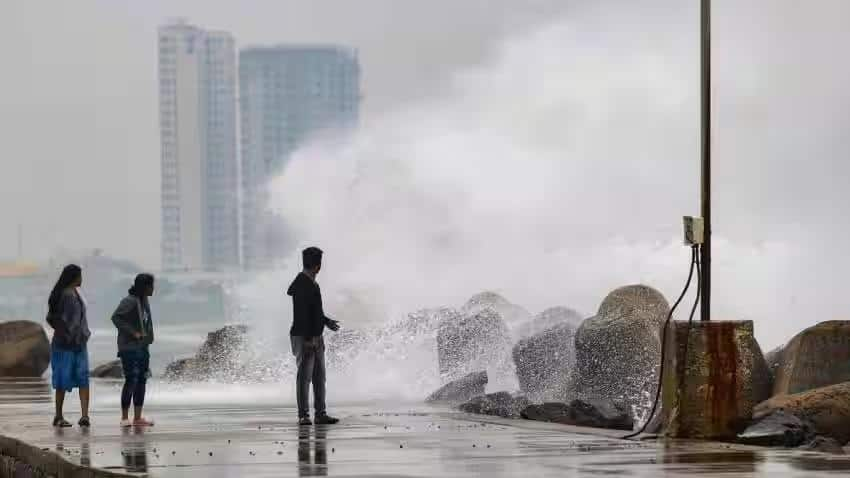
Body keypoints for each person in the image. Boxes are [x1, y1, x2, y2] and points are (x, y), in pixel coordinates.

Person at [287, 247, 341, 425]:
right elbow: (302, 315)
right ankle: (303, 415)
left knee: (318, 377)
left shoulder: (309, 282)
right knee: (305, 378)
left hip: (314, 336)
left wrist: (326, 321)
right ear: (318, 266)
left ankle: (320, 414)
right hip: (306, 338)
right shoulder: (304, 284)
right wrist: (309, 339)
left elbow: (313, 311)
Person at [46, 264, 92, 428]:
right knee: (71, 379)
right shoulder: (67, 295)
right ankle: (69, 416)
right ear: (74, 277)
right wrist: (67, 334)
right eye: (80, 275)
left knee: (67, 379)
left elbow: (51, 318)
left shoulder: (72, 293)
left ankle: (77, 416)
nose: (82, 279)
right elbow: (56, 319)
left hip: (75, 343)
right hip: (67, 345)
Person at [111, 273, 156, 428]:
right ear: (144, 287)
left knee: (142, 380)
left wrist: (147, 338)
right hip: (129, 348)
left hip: (143, 347)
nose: (153, 289)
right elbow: (116, 318)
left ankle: (137, 418)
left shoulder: (144, 301)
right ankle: (124, 417)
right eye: (151, 286)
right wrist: (133, 332)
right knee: (131, 380)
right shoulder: (129, 301)